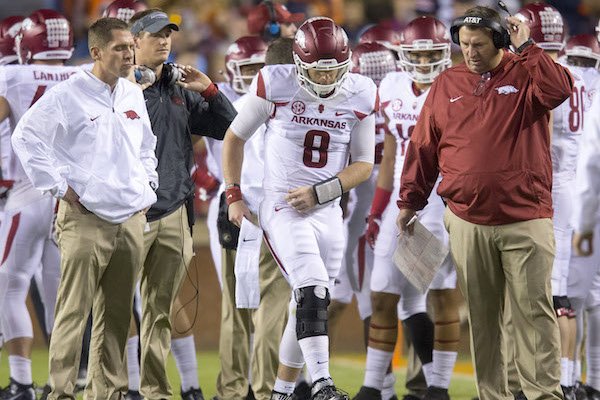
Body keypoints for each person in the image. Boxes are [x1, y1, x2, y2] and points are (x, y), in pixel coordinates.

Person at [398, 6, 573, 400]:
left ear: (499, 40)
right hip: (466, 219)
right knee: (483, 318)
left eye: (478, 44)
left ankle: (545, 394)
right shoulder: (446, 82)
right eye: (463, 44)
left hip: (525, 216)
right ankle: (493, 395)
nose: (470, 52)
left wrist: (527, 45)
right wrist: (410, 200)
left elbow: (560, 90)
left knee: (534, 314)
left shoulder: (527, 73)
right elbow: (424, 145)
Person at [222, 16, 376, 400]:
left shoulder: (360, 91)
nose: (325, 81)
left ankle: (281, 392)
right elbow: (233, 138)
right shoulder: (275, 84)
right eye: (317, 73)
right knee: (311, 292)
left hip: (327, 210)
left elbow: (364, 163)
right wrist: (233, 195)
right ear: (297, 64)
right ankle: (321, 381)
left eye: (334, 72)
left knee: (311, 302)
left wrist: (322, 192)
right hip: (282, 205)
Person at [11, 16, 158, 400]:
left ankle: (105, 393)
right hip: (85, 220)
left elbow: (145, 147)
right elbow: (24, 136)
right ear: (96, 52)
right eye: (120, 48)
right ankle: (59, 392)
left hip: (129, 218)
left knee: (116, 317)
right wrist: (59, 186)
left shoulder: (132, 93)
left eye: (130, 46)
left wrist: (148, 186)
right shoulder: (67, 93)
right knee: (72, 312)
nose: (129, 54)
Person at [129, 8, 237, 400]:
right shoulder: (118, 89)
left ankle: (154, 391)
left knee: (160, 311)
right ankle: (114, 389)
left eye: (168, 34)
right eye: (155, 34)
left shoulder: (178, 90)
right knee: (115, 308)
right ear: (134, 40)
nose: (164, 40)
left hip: (173, 210)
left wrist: (209, 89)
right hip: (126, 213)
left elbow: (229, 127)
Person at [354, 16, 461, 400]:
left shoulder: (460, 86)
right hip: (399, 203)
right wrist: (378, 209)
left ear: (445, 53)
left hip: (440, 199)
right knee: (382, 292)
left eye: (433, 52)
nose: (425, 61)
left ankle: (439, 386)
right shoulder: (392, 85)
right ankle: (373, 386)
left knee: (441, 292)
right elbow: (393, 154)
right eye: (417, 54)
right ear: (402, 55)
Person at [0, 9, 81, 400]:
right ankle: (61, 383)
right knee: (58, 295)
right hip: (71, 196)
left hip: (29, 192)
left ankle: (20, 381)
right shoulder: (84, 76)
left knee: (9, 285)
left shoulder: (13, 76)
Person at [327, 41, 398, 400]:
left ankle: (381, 388)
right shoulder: (401, 103)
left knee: (371, 300)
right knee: (406, 301)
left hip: (364, 216)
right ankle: (410, 385)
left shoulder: (353, 108)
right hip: (404, 212)